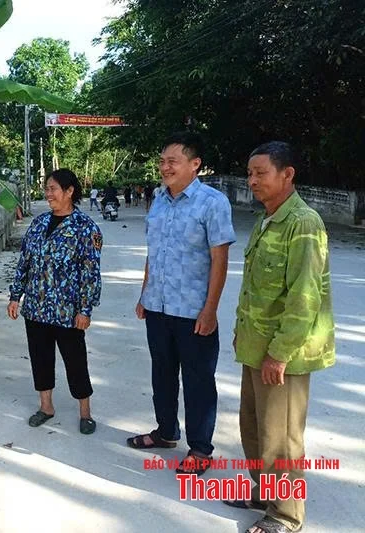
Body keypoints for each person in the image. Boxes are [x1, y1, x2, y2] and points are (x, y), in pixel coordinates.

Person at [224, 142, 335, 533]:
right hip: (256, 347)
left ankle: (286, 515)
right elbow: (255, 287)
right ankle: (263, 493)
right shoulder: (268, 218)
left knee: (281, 438)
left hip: (281, 354)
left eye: (261, 173)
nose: (252, 180)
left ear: (287, 175)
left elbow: (305, 297)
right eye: (249, 173)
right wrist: (242, 331)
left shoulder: (303, 223)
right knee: (253, 428)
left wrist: (280, 353)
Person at [127, 132, 236, 476]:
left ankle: (201, 448)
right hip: (158, 306)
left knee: (198, 379)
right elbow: (153, 251)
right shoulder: (158, 199)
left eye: (172, 161)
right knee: (161, 373)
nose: (164, 167)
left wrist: (210, 309)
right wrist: (145, 294)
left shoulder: (212, 202)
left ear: (195, 164)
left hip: (193, 311)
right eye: (161, 161)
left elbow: (220, 260)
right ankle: (166, 432)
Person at [7, 168, 102, 435]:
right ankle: (46, 407)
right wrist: (16, 295)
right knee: (40, 358)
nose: (48, 194)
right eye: (47, 188)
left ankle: (85, 412)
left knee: (75, 361)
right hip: (36, 308)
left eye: (53, 189)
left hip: (67, 311)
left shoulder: (85, 228)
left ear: (69, 191)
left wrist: (85, 309)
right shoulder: (38, 224)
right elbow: (24, 262)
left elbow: (90, 272)